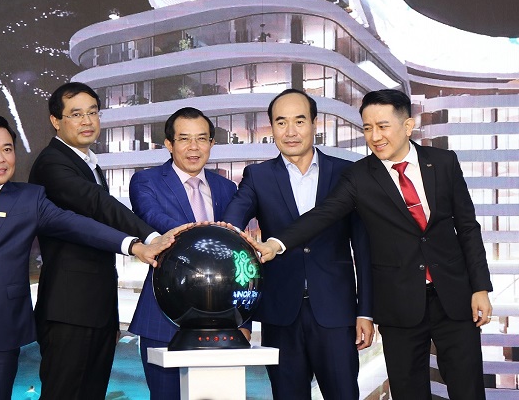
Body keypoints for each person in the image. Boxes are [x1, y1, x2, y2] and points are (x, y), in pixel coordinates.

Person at [0, 112, 173, 399]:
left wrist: (135, 245)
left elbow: (78, 225)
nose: (0, 159)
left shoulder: (29, 199)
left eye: (7, 149)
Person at [253, 89, 493, 400]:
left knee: (469, 390)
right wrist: (277, 243)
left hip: (454, 298)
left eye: (383, 126)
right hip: (398, 305)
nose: (375, 136)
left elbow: (468, 228)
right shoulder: (358, 177)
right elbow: (323, 215)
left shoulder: (443, 162)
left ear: (407, 126)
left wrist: (480, 287)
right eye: (367, 128)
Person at [28, 82, 176, 400]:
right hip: (69, 311)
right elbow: (97, 204)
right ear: (55, 121)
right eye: (76, 114)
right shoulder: (52, 163)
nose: (87, 121)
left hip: (97, 310)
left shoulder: (88, 163)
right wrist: (149, 238)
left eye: (93, 112)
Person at [222, 89, 373, 399]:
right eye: (281, 122)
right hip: (280, 312)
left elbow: (363, 248)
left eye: (299, 121)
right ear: (272, 127)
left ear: (315, 124)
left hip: (336, 312)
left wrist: (366, 312)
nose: (290, 131)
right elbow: (232, 226)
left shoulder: (346, 174)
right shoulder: (258, 176)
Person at [128, 107, 239, 400]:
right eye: (184, 139)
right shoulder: (146, 181)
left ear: (212, 143)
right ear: (169, 143)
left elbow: (237, 251)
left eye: (202, 139)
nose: (194, 147)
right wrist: (196, 232)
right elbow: (151, 216)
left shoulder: (227, 188)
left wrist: (244, 321)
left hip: (221, 322)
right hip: (162, 317)